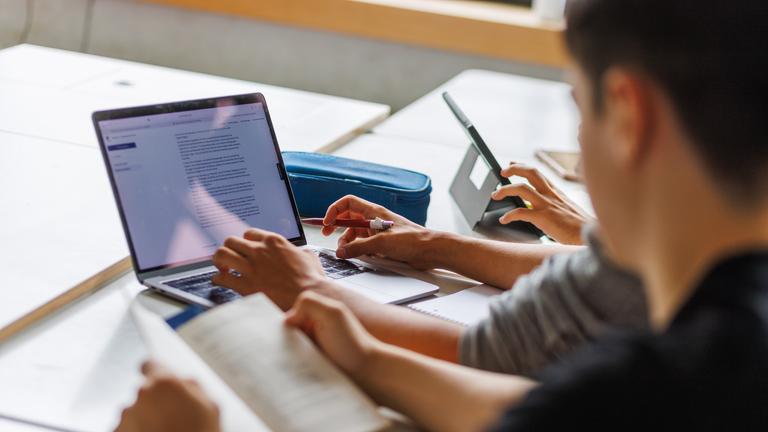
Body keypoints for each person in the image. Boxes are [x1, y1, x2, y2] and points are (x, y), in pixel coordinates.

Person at [119, 0, 768, 428]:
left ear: (627, 116)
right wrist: (370, 358)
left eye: (580, 106)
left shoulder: (689, 381)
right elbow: (543, 407)